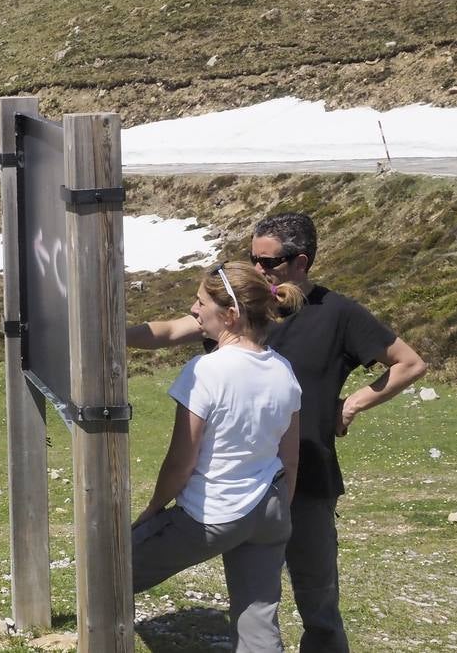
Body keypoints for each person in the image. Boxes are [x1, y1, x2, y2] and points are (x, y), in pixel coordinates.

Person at [128, 212, 428, 653]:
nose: (259, 269)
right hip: (262, 486)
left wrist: (351, 405)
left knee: (317, 595)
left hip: (306, 480)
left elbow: (410, 363)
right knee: (258, 604)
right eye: (253, 258)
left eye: (269, 262)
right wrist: (107, 334)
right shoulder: (244, 306)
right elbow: (169, 330)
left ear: (301, 261)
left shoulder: (339, 313)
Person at [133, 261, 304, 652]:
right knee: (259, 623)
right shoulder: (284, 370)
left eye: (200, 302)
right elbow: (289, 457)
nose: (194, 311)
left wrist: (152, 511)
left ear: (230, 315)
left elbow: (181, 464)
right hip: (271, 508)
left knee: (110, 570)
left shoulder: (204, 371)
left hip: (211, 514)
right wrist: (281, 508)